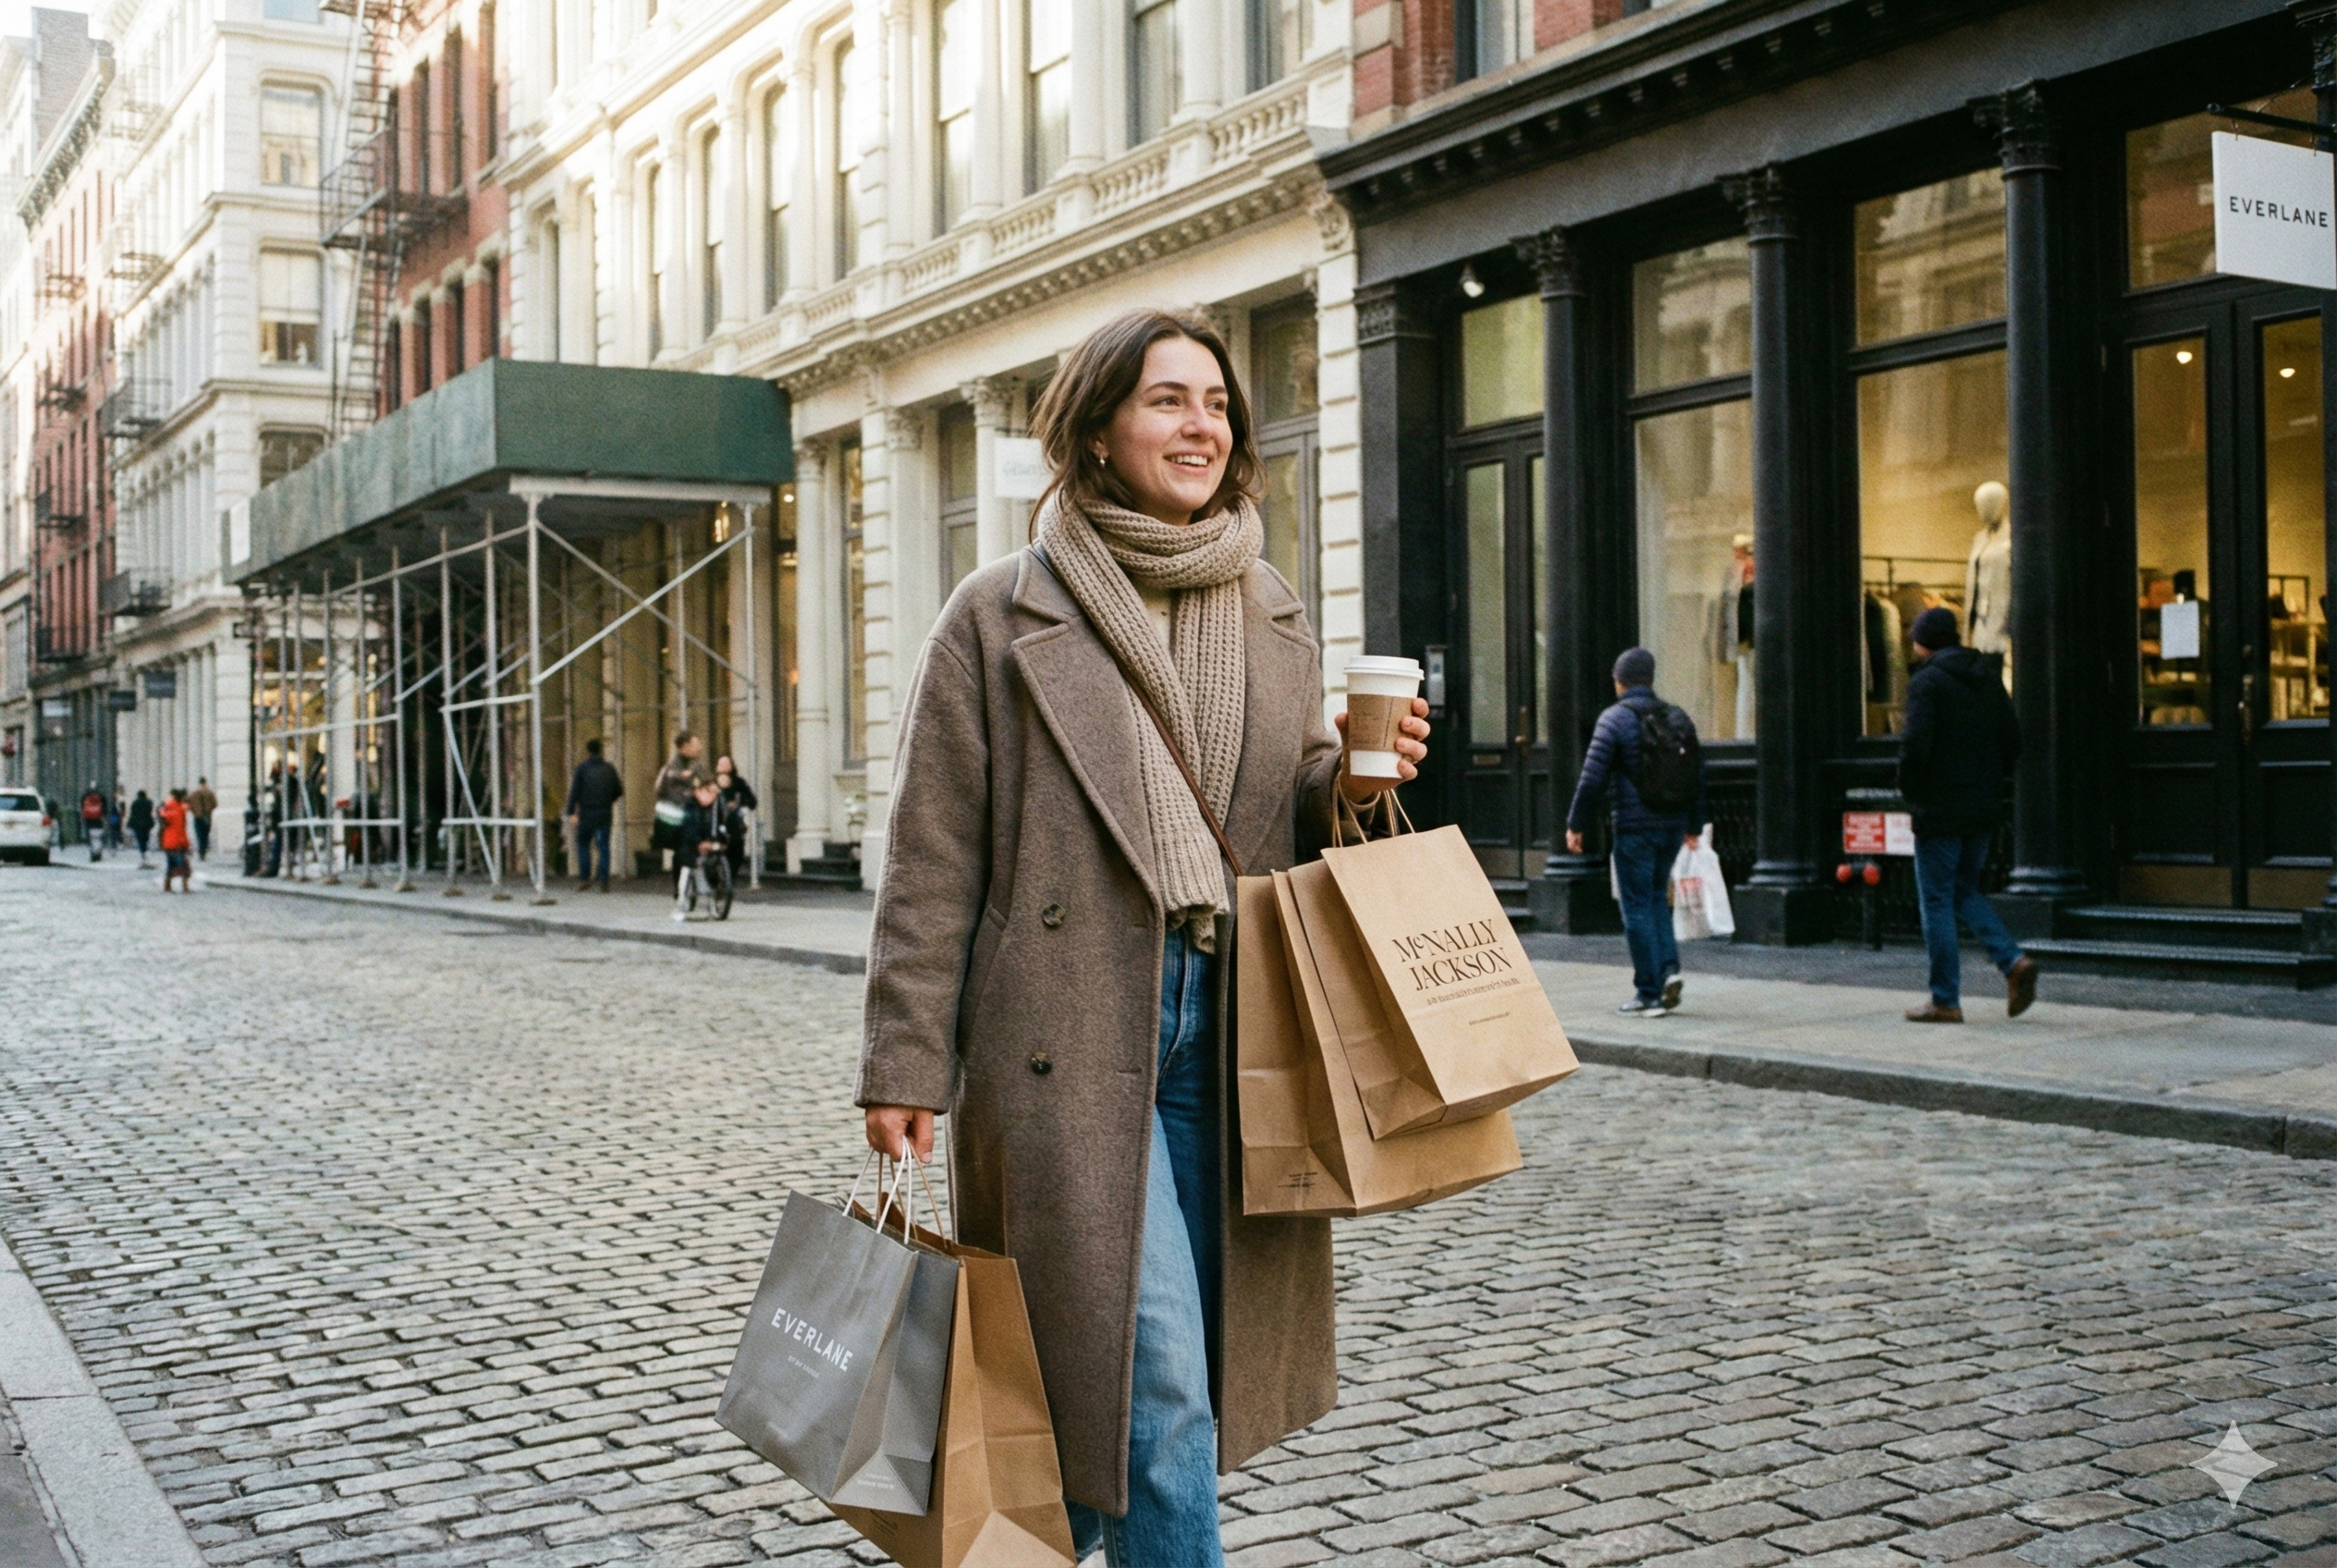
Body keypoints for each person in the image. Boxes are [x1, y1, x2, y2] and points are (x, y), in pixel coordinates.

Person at [856, 309, 1429, 1567]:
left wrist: (1357, 782)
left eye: (1218, 404)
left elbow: (1284, 819)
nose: (1202, 425)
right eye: (1168, 400)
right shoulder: (998, 614)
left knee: (1153, 1387)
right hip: (1065, 1034)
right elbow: (934, 854)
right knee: (1154, 1384)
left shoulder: (1270, 607)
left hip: (1229, 1033)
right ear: (1099, 431)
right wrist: (905, 1060)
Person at [1899, 606, 2037, 1023]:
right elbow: (2013, 739)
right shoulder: (1987, 677)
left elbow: (1915, 746)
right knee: (1962, 889)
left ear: (1924, 642)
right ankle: (2012, 962)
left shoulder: (1927, 682)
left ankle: (1945, 999)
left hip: (1941, 808)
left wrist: (1910, 790)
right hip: (1982, 806)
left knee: (1937, 899)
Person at [1564, 647, 1707, 1017]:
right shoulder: (1678, 717)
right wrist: (1694, 825)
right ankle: (1668, 971)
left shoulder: (1614, 719)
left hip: (1634, 828)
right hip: (1673, 826)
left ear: (1619, 680)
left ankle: (1649, 992)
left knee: (1637, 906)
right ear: (1650, 678)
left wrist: (1576, 824)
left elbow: (1592, 777)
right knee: (1658, 898)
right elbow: (1696, 773)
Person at [563, 739, 625, 891]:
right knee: (604, 846)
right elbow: (619, 790)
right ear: (601, 750)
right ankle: (604, 881)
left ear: (588, 751)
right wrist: (608, 800)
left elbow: (574, 792)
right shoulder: (609, 769)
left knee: (583, 844)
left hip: (586, 813)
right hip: (605, 812)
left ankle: (585, 878)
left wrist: (571, 812)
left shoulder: (582, 769)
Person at [671, 779, 728, 920]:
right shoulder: (689, 806)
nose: (713, 796)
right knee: (686, 862)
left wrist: (720, 841)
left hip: (708, 844)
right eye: (709, 792)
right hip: (689, 844)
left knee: (716, 863)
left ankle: (716, 896)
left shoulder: (716, 808)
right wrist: (698, 843)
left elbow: (722, 826)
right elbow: (687, 829)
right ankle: (682, 902)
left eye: (715, 793)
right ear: (698, 791)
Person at [652, 730, 704, 870]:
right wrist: (689, 792)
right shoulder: (673, 767)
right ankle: (683, 887)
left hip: (689, 814)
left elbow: (706, 782)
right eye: (696, 744)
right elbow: (664, 790)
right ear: (685, 745)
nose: (700, 747)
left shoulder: (694, 764)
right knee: (684, 848)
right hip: (679, 816)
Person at [713, 754, 757, 876]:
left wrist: (738, 801)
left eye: (727, 764)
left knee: (737, 850)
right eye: (721, 764)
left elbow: (752, 801)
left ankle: (729, 878)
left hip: (734, 824)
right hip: (715, 822)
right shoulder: (711, 783)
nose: (723, 767)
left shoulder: (739, 783)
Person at [158, 788, 192, 892]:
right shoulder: (178, 810)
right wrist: (185, 843)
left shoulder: (168, 808)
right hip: (176, 843)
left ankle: (167, 886)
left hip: (168, 842)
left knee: (171, 865)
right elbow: (180, 830)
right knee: (183, 866)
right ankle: (185, 888)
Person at [189, 777, 217, 859]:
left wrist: (194, 810)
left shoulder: (195, 793)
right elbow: (215, 804)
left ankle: (202, 852)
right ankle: (202, 852)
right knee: (203, 835)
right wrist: (208, 810)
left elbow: (188, 802)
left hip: (199, 817)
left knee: (201, 835)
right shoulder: (209, 793)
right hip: (205, 817)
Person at [128, 790, 156, 865]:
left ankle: (143, 854)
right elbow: (150, 812)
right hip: (147, 824)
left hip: (137, 824)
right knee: (146, 838)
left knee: (140, 840)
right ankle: (146, 853)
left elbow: (132, 813)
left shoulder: (135, 803)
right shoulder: (148, 802)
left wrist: (130, 823)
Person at [80, 785, 106, 862]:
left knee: (91, 838)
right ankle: (98, 853)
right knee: (98, 837)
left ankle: (93, 854)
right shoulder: (101, 797)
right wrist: (103, 817)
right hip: (98, 820)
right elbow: (104, 809)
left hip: (88, 820)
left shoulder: (85, 797)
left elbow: (82, 807)